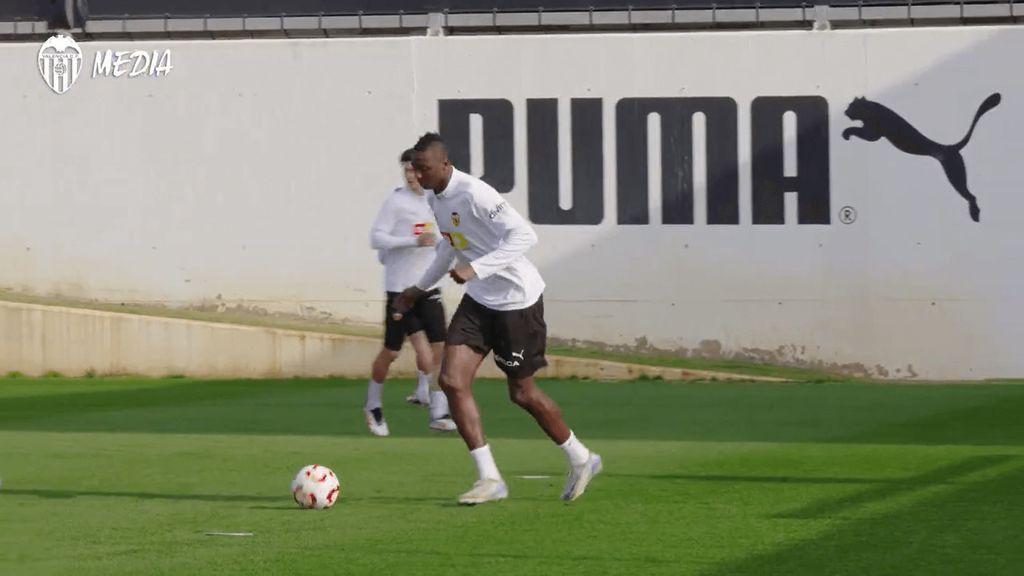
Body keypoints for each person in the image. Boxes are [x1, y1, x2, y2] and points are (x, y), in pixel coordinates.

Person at [393, 133, 602, 504]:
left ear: (445, 165)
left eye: (424, 169)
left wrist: (478, 268)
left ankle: (580, 457)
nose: (419, 177)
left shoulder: (476, 194)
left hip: (517, 302)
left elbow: (524, 236)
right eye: (414, 170)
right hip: (479, 302)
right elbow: (449, 244)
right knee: (452, 380)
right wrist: (419, 288)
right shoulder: (434, 196)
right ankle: (489, 478)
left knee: (521, 393)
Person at [365, 148, 456, 436]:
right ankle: (373, 405)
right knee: (391, 351)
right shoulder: (396, 202)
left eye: (416, 170)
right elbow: (376, 238)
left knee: (441, 346)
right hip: (400, 291)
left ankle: (438, 411)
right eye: (407, 170)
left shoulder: (437, 200)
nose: (412, 176)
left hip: (428, 288)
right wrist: (412, 241)